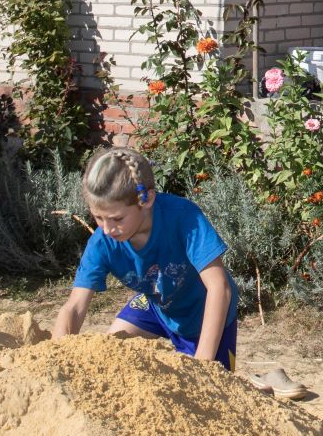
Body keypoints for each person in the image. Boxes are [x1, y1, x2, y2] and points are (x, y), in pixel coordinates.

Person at [51, 146, 238, 369]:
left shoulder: (183, 218)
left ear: (147, 199)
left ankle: (264, 383)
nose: (108, 229)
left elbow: (219, 287)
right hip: (156, 306)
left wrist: (203, 364)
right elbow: (74, 307)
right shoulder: (102, 242)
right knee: (109, 350)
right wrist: (56, 358)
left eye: (117, 218)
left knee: (216, 389)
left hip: (202, 314)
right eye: (98, 217)